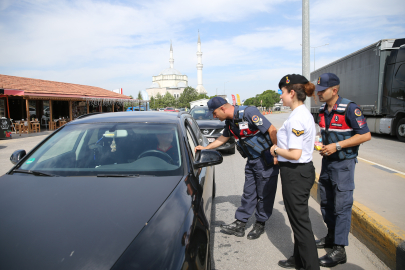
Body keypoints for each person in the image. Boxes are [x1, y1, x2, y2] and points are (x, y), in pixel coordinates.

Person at [194, 97, 278, 240]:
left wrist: (276, 151)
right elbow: (223, 138)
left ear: (222, 108)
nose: (215, 117)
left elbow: (272, 129)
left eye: (214, 113)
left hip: (265, 160)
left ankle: (260, 223)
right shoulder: (230, 122)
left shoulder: (248, 112)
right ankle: (240, 223)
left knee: (265, 193)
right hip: (252, 160)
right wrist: (206, 148)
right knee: (248, 192)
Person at [315, 73, 371, 267]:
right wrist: (321, 144)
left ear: (335, 90)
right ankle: (331, 237)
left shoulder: (349, 108)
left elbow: (365, 135)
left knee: (342, 206)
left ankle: (340, 250)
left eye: (322, 91)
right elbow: (324, 132)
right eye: (318, 90)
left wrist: (337, 146)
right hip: (327, 163)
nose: (319, 94)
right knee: (326, 202)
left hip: (343, 165)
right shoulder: (322, 109)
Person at [270, 74, 320, 270]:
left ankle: (310, 266)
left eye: (282, 92)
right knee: (298, 221)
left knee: (301, 225)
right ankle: (298, 259)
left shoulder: (297, 118)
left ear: (292, 93)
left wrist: (275, 150)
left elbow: (295, 153)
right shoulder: (300, 114)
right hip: (299, 172)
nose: (280, 97)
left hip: (295, 173)